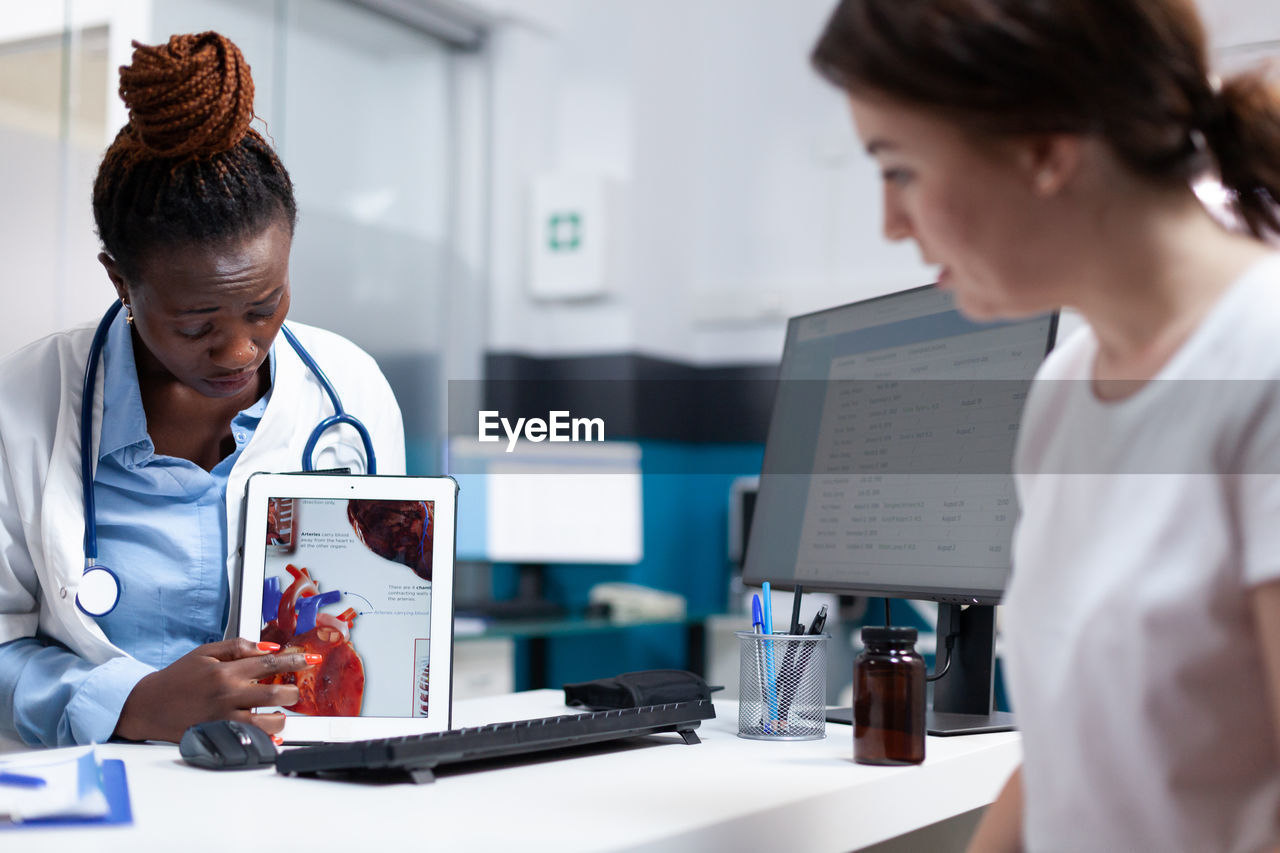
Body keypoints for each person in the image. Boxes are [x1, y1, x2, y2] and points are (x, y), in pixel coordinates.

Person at [811, 1, 1280, 851]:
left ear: (1046, 146)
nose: (891, 222)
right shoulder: (1065, 389)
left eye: (901, 168)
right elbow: (1071, 758)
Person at [0, 32, 405, 747]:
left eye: (265, 305)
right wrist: (132, 702)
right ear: (120, 282)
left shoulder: (352, 395)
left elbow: (386, 624)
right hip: (100, 800)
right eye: (196, 325)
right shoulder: (23, 404)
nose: (241, 350)